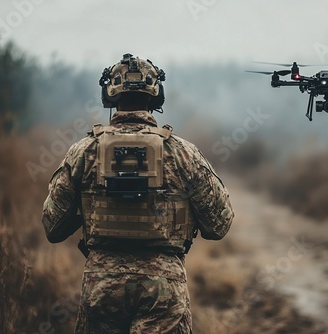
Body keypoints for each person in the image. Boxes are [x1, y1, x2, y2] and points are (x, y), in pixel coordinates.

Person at [41, 53, 234, 333]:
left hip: (101, 288)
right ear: (157, 97)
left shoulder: (83, 151)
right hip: (164, 290)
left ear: (109, 94)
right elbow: (219, 225)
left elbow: (52, 227)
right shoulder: (184, 154)